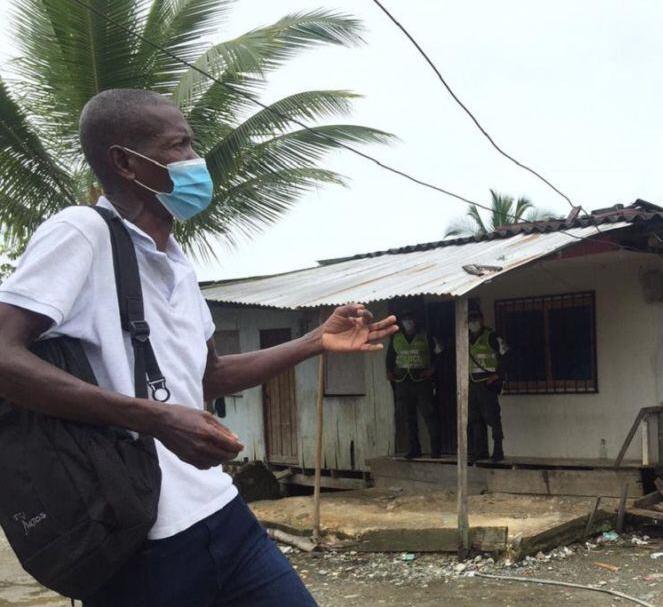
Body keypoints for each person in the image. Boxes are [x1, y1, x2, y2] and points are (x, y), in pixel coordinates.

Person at [0, 88, 397, 607]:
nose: (196, 161)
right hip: (139, 537)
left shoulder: (177, 260)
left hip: (221, 514)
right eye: (179, 145)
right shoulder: (82, 233)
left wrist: (313, 341)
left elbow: (208, 376)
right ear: (125, 162)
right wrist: (156, 418)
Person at [385, 306, 443, 459]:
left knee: (429, 414)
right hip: (403, 381)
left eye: (410, 319)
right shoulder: (396, 338)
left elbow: (440, 354)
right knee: (408, 417)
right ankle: (414, 448)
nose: (408, 322)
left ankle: (436, 449)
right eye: (405, 320)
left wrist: (433, 369)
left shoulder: (426, 336)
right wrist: (389, 372)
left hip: (422, 380)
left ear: (415, 321)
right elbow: (390, 357)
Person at [467, 307, 509, 462]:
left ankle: (498, 450)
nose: (473, 323)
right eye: (470, 320)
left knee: (493, 418)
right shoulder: (467, 338)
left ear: (482, 320)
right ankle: (480, 451)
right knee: (475, 419)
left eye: (476, 319)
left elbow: (507, 355)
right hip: (472, 384)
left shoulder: (492, 336)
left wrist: (498, 375)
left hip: (487, 384)